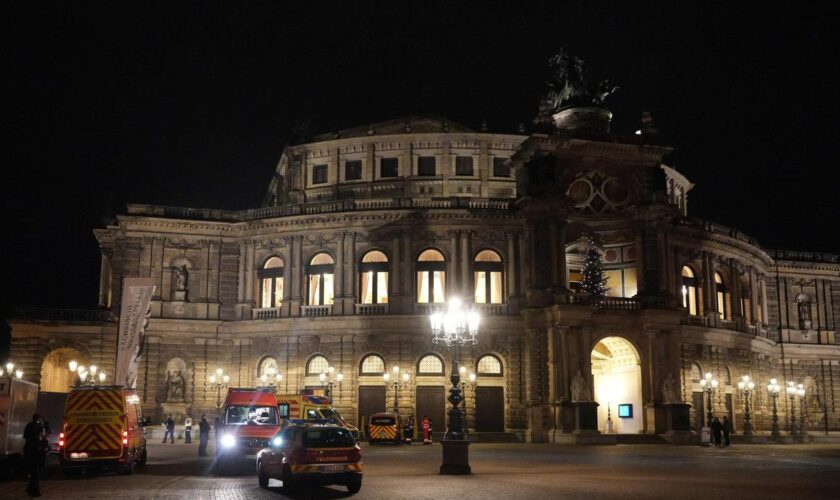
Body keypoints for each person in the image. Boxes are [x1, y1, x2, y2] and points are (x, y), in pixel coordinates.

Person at [23, 414, 45, 497]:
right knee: (36, 472)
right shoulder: (40, 427)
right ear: (38, 419)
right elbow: (42, 438)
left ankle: (30, 488)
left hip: (29, 451)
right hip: (36, 452)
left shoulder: (28, 425)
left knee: (32, 471)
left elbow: (25, 437)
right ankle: (35, 491)